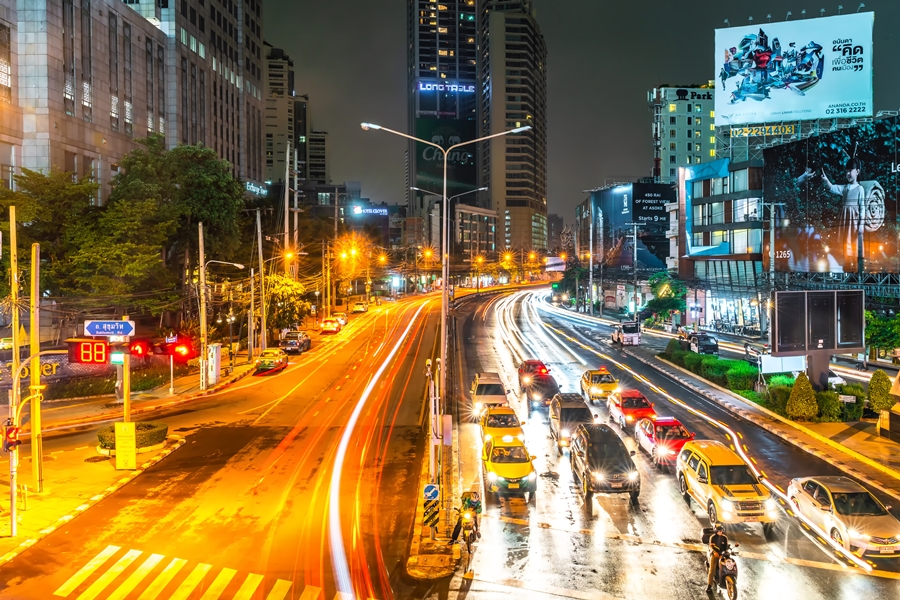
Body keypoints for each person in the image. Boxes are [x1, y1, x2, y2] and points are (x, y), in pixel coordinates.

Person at [707, 524, 728, 592]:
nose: (720, 532)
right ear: (716, 531)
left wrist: (724, 553)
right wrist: (714, 552)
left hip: (722, 555)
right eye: (719, 531)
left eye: (721, 531)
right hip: (714, 555)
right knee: (712, 569)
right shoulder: (712, 537)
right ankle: (709, 585)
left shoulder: (725, 538)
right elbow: (710, 546)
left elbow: (726, 547)